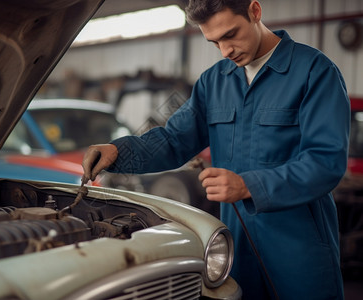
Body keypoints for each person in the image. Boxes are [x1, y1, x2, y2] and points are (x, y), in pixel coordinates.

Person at [81, 0, 350, 299]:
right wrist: (117, 152)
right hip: (236, 244)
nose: (225, 51)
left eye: (231, 34)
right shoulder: (214, 82)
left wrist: (248, 185)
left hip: (299, 245)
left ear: (255, 11)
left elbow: (325, 161)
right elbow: (173, 140)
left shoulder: (314, 71)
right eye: (214, 42)